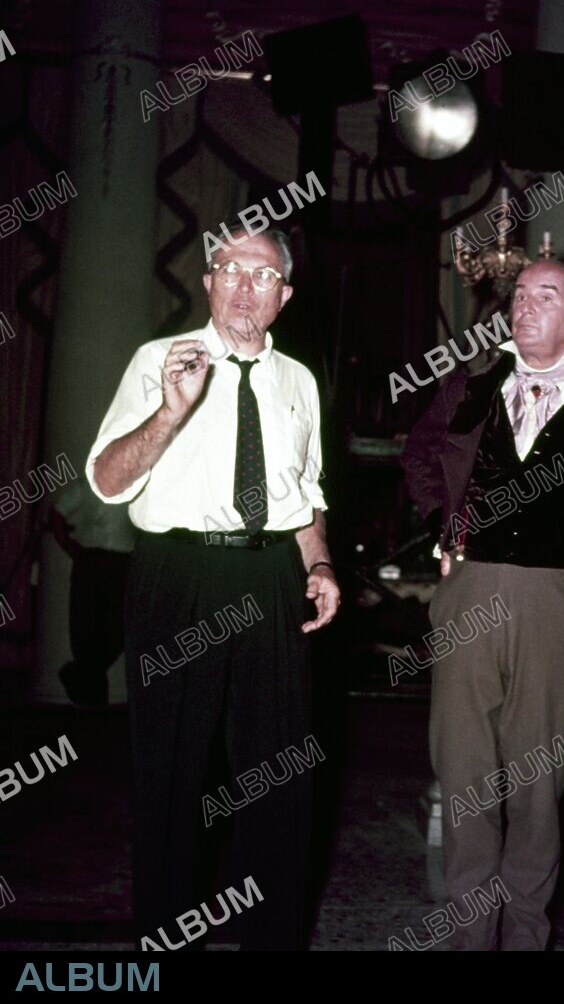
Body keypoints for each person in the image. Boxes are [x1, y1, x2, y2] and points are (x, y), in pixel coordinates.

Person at [86, 225, 339, 951]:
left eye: (262, 276)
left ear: (284, 295)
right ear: (207, 283)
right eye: (229, 270)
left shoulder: (299, 380)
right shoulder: (156, 361)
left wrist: (319, 564)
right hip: (178, 574)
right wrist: (171, 410)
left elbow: (306, 491)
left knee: (278, 776)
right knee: (170, 776)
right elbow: (105, 480)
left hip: (270, 578)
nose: (244, 287)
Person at [401, 259, 564, 950]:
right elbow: (420, 456)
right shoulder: (470, 383)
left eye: (545, 297)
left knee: (538, 781)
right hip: (471, 588)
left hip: (559, 597)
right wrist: (440, 525)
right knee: (463, 770)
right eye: (519, 296)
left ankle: (523, 935)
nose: (525, 307)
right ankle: (470, 935)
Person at [49, 476, 136, 706]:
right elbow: (56, 513)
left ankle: (84, 684)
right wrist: (70, 547)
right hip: (97, 561)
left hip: (114, 563)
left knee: (111, 629)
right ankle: (92, 695)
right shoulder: (89, 484)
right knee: (86, 629)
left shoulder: (134, 485)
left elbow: (57, 513)